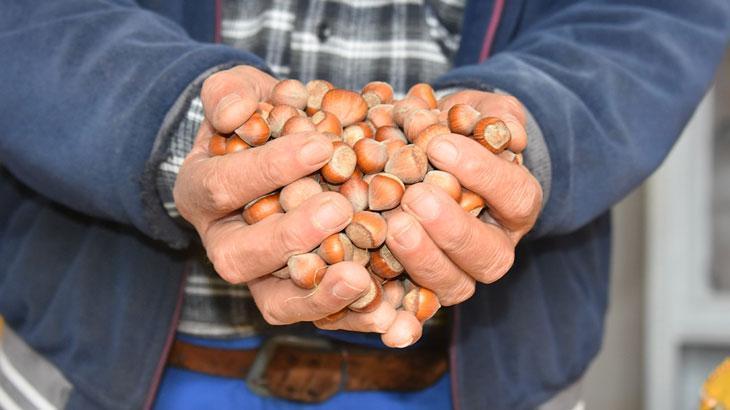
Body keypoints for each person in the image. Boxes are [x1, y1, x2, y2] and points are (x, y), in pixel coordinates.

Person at [0, 1, 727, 409]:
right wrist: (177, 127)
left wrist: (535, 131)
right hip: (96, 369)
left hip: (475, 382)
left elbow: (650, 16)